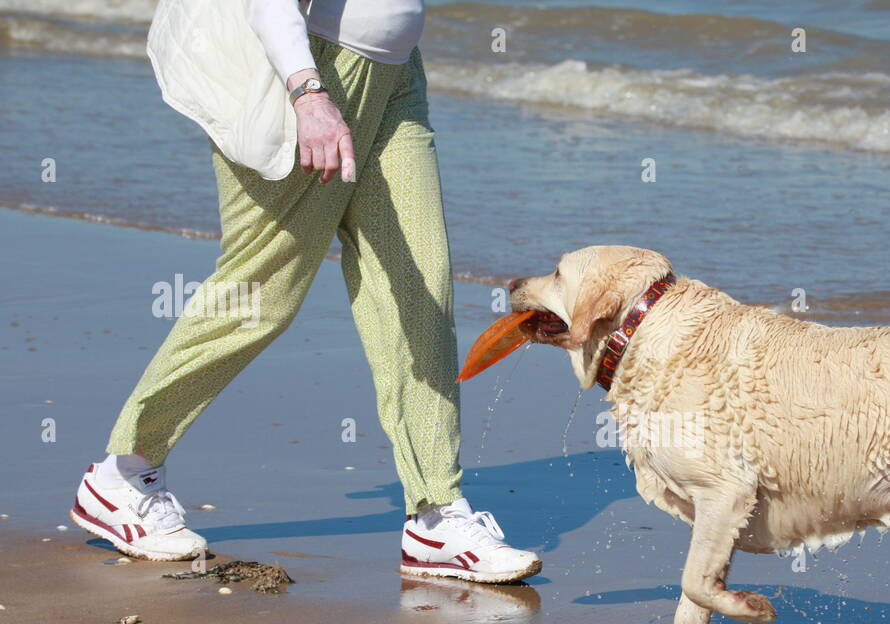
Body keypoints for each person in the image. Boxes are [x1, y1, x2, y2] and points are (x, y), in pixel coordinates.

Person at [68, 0, 540, 584]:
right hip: (308, 75)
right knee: (260, 296)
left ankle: (436, 515)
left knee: (419, 291)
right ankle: (125, 471)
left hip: (394, 77)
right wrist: (308, 93)